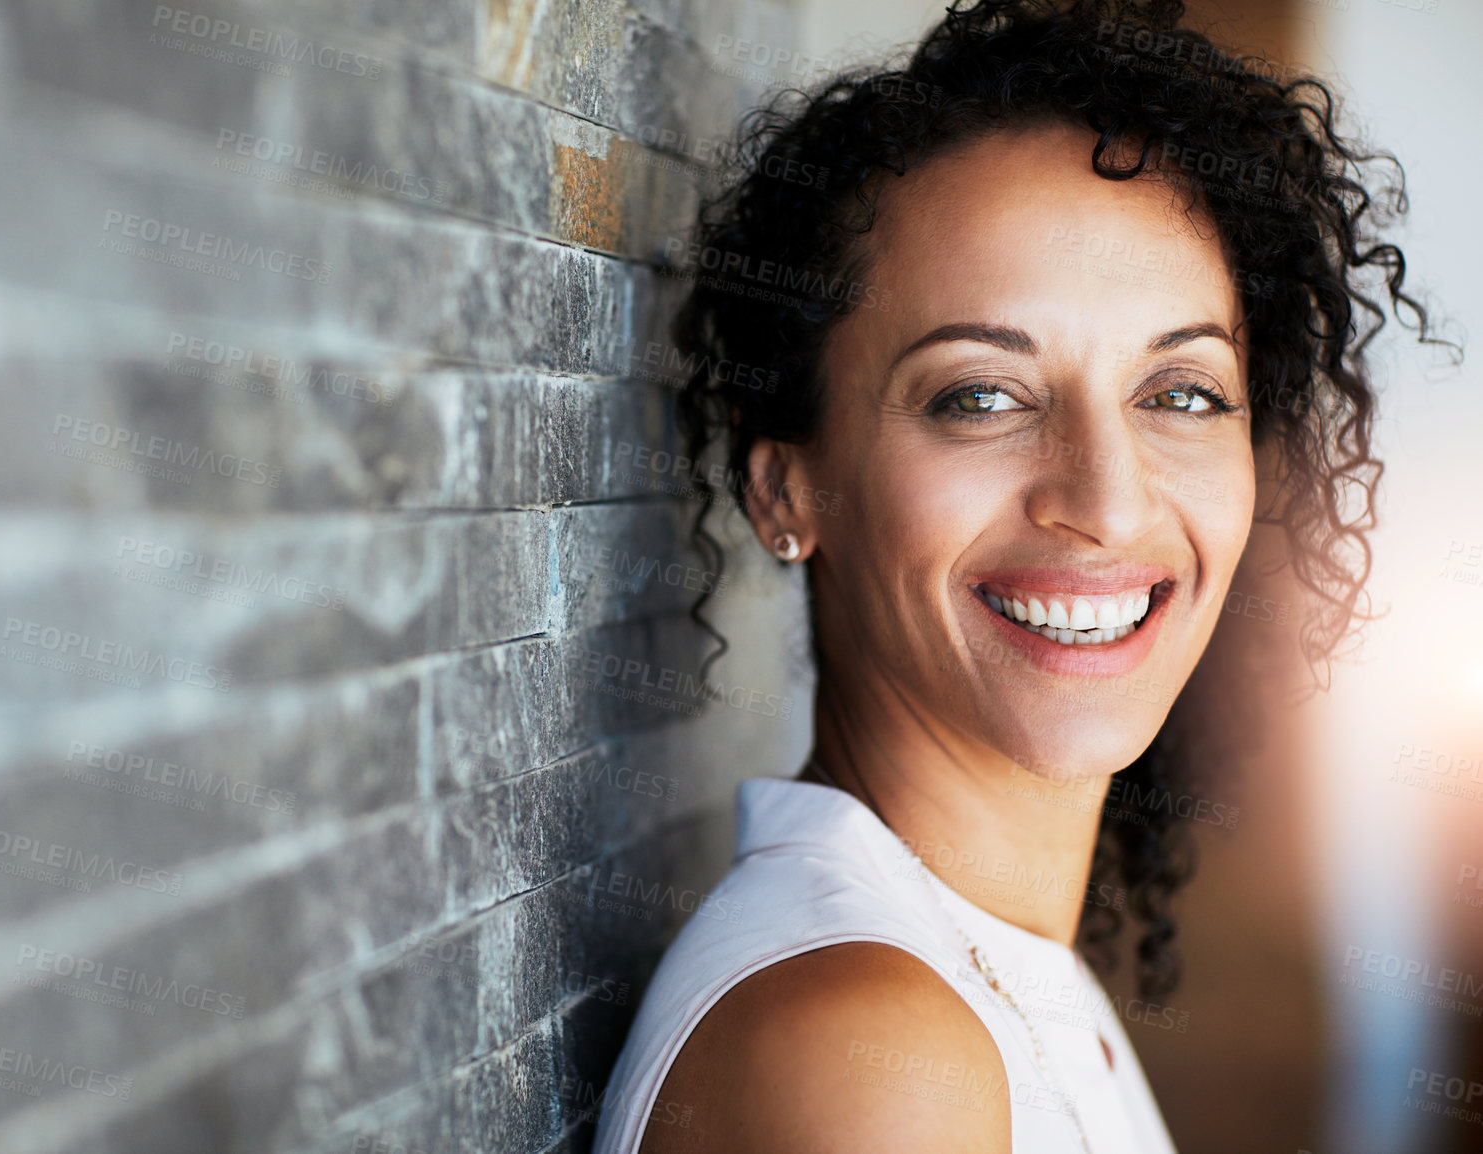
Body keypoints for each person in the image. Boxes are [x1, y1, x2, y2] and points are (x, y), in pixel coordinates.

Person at [591, 1, 1442, 1151]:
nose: (1104, 499)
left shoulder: (991, 980)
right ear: (784, 485)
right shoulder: (868, 1049)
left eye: (1179, 392)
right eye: (978, 396)